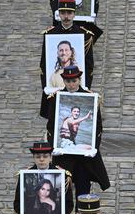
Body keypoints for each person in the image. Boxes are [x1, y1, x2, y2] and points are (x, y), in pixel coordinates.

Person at [45, 66, 110, 197]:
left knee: (83, 189)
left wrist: (93, 147)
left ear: (79, 80)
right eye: (68, 81)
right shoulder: (55, 98)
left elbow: (97, 127)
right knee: (62, 190)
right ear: (63, 81)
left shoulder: (91, 98)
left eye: (74, 81)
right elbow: (51, 126)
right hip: (64, 154)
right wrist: (53, 146)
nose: (71, 84)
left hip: (83, 158)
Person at [40, 0, 95, 96]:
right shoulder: (50, 34)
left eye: (69, 13)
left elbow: (89, 66)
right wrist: (47, 88)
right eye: (63, 13)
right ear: (59, 14)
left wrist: (85, 89)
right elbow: (43, 65)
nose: (66, 16)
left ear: (74, 14)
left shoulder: (85, 35)